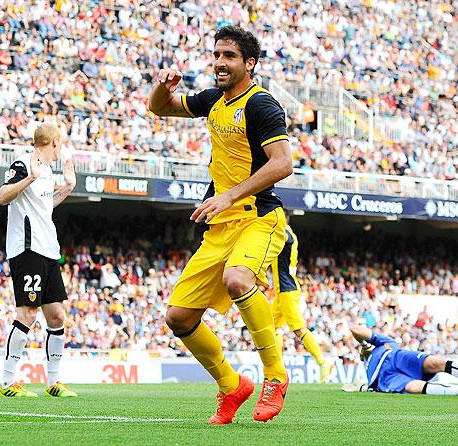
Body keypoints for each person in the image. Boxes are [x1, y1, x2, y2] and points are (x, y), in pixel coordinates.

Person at [149, 25, 293, 424]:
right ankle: (232, 386)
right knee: (178, 317)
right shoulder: (214, 100)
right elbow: (162, 108)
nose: (219, 63)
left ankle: (276, 377)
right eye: (216, 55)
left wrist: (230, 194)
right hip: (221, 226)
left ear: (249, 63)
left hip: (259, 219)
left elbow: (283, 164)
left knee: (237, 279)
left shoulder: (263, 105)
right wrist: (163, 86)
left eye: (229, 56)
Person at [0, 123, 77, 398]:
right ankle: (8, 382)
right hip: (27, 249)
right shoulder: (23, 164)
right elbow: (3, 196)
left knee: (56, 315)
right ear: (54, 141)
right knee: (28, 313)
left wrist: (66, 187)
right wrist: (29, 178)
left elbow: (44, 207)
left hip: (48, 250)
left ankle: (53, 381)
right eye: (61, 142)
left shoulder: (48, 171)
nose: (62, 148)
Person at [347, 324, 458, 396]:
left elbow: (355, 329)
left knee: (436, 362)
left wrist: (364, 342)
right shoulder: (368, 372)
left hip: (398, 358)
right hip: (386, 378)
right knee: (412, 388)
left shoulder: (383, 343)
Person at [271, 211, 333, 383]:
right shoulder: (288, 233)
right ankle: (277, 369)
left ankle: (323, 362)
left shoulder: (283, 234)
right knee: (270, 328)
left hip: (287, 290)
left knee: (298, 329)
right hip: (283, 290)